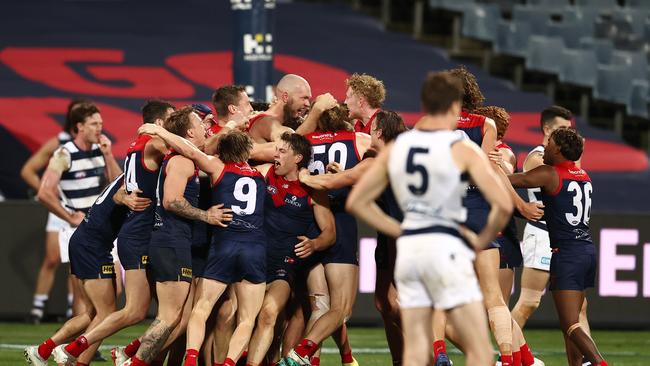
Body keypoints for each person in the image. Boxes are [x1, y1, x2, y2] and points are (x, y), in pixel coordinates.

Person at [346, 71, 512, 366]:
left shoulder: (407, 143)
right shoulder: (468, 146)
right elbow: (501, 202)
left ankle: (438, 356)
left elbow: (358, 201)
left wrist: (397, 229)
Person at [54, 100, 175, 365]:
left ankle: (58, 350)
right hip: (94, 238)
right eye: (94, 123)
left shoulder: (133, 152)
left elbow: (119, 184)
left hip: (109, 237)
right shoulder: (154, 144)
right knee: (115, 310)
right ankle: (67, 351)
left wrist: (112, 166)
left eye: (101, 123)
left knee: (103, 309)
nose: (100, 128)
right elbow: (46, 189)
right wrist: (67, 215)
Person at [298, 110, 408, 365]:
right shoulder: (400, 155)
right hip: (407, 234)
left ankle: (438, 352)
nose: (367, 131)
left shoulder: (378, 160)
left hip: (405, 236)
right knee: (385, 303)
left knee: (327, 307)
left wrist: (307, 177)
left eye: (372, 129)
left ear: (379, 132)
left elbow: (338, 181)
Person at [127, 107, 231, 366]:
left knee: (173, 318)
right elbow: (172, 200)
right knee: (168, 317)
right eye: (201, 124)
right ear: (189, 132)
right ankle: (133, 361)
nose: (207, 128)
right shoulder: (182, 161)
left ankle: (133, 359)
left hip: (172, 242)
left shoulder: (187, 160)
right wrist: (206, 216)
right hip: (171, 242)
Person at [24, 174, 151, 366]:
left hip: (86, 242)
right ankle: (75, 358)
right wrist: (124, 198)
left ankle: (42, 351)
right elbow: (119, 195)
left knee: (92, 313)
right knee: (105, 314)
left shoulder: (128, 173)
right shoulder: (136, 177)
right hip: (93, 247)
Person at [278, 105, 370, 366]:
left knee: (320, 306)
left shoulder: (304, 141)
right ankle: (300, 354)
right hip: (340, 222)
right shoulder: (358, 139)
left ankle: (334, 358)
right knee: (341, 308)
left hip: (309, 221)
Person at [508, 127, 607, 366]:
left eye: (549, 143)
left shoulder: (549, 173)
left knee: (570, 324)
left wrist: (490, 167)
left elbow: (512, 181)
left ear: (560, 149)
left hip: (567, 255)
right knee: (572, 322)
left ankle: (600, 363)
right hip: (586, 251)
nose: (544, 148)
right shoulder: (584, 175)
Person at [246, 132, 336, 366]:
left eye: (282, 151)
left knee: (269, 313)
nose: (275, 154)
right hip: (252, 259)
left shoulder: (313, 190)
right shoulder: (265, 172)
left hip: (283, 266)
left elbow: (330, 233)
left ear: (297, 158)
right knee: (232, 316)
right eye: (276, 150)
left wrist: (314, 244)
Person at [22, 98, 90, 322]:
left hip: (82, 210)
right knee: (52, 258)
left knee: (76, 263)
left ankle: (74, 311)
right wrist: (49, 192)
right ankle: (37, 308)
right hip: (61, 210)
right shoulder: (60, 144)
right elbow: (28, 171)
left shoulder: (96, 146)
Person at [511, 106, 573, 327]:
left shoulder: (566, 161)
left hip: (564, 237)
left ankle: (584, 360)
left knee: (578, 305)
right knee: (529, 301)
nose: (568, 134)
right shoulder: (537, 157)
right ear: (547, 129)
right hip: (542, 233)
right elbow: (560, 176)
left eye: (570, 129)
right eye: (562, 128)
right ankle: (505, 356)